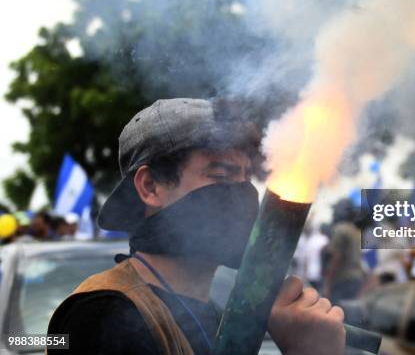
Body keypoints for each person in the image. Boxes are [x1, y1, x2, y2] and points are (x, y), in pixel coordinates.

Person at [48, 98, 345, 355]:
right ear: (150, 187)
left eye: (246, 177)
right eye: (221, 174)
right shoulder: (102, 316)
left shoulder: (219, 317)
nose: (242, 193)